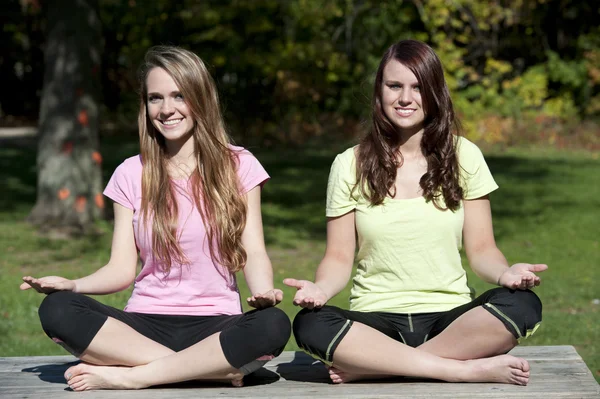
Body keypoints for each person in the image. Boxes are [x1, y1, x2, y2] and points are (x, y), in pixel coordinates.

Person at [20, 45, 291, 391]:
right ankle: (205, 370)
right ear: (145, 106)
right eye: (155, 98)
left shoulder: (239, 165)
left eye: (179, 96)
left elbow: (253, 249)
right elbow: (121, 269)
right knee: (56, 309)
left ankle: (135, 376)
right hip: (142, 326)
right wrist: (73, 285)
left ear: (200, 98)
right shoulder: (130, 173)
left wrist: (264, 291)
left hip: (217, 325)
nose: (166, 110)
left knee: (273, 325)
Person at [284, 39, 546, 386]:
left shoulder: (464, 155)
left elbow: (482, 250)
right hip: (375, 323)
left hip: (452, 321)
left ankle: (382, 366)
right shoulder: (348, 164)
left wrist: (506, 275)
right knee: (309, 324)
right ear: (379, 92)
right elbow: (338, 256)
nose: (405, 98)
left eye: (418, 87)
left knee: (523, 305)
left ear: (434, 92)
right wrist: (320, 289)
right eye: (395, 86)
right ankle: (459, 369)